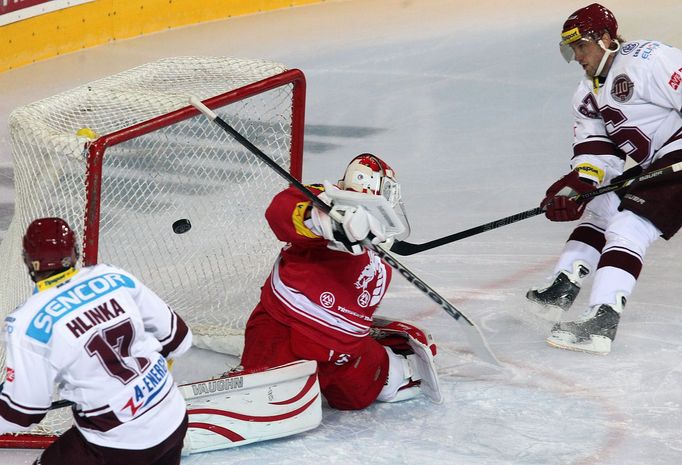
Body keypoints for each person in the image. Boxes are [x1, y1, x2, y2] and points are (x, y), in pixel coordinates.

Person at [527, 3, 682, 354]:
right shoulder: (587, 92)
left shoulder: (649, 59)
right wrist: (576, 187)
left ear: (606, 39)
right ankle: (563, 285)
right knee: (602, 204)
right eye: (573, 49)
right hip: (658, 162)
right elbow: (597, 154)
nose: (578, 56)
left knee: (630, 227)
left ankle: (602, 320)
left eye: (582, 45)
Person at [238, 153, 441, 409]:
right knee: (265, 395)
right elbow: (280, 211)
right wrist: (323, 220)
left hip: (345, 349)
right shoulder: (322, 198)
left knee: (357, 398)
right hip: (287, 328)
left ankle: (390, 360)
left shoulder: (378, 239)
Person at [0, 217, 192, 464]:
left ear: (28, 260)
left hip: (118, 442)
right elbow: (180, 338)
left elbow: (23, 411)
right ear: (76, 252)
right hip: (172, 417)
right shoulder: (113, 276)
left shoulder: (28, 322)